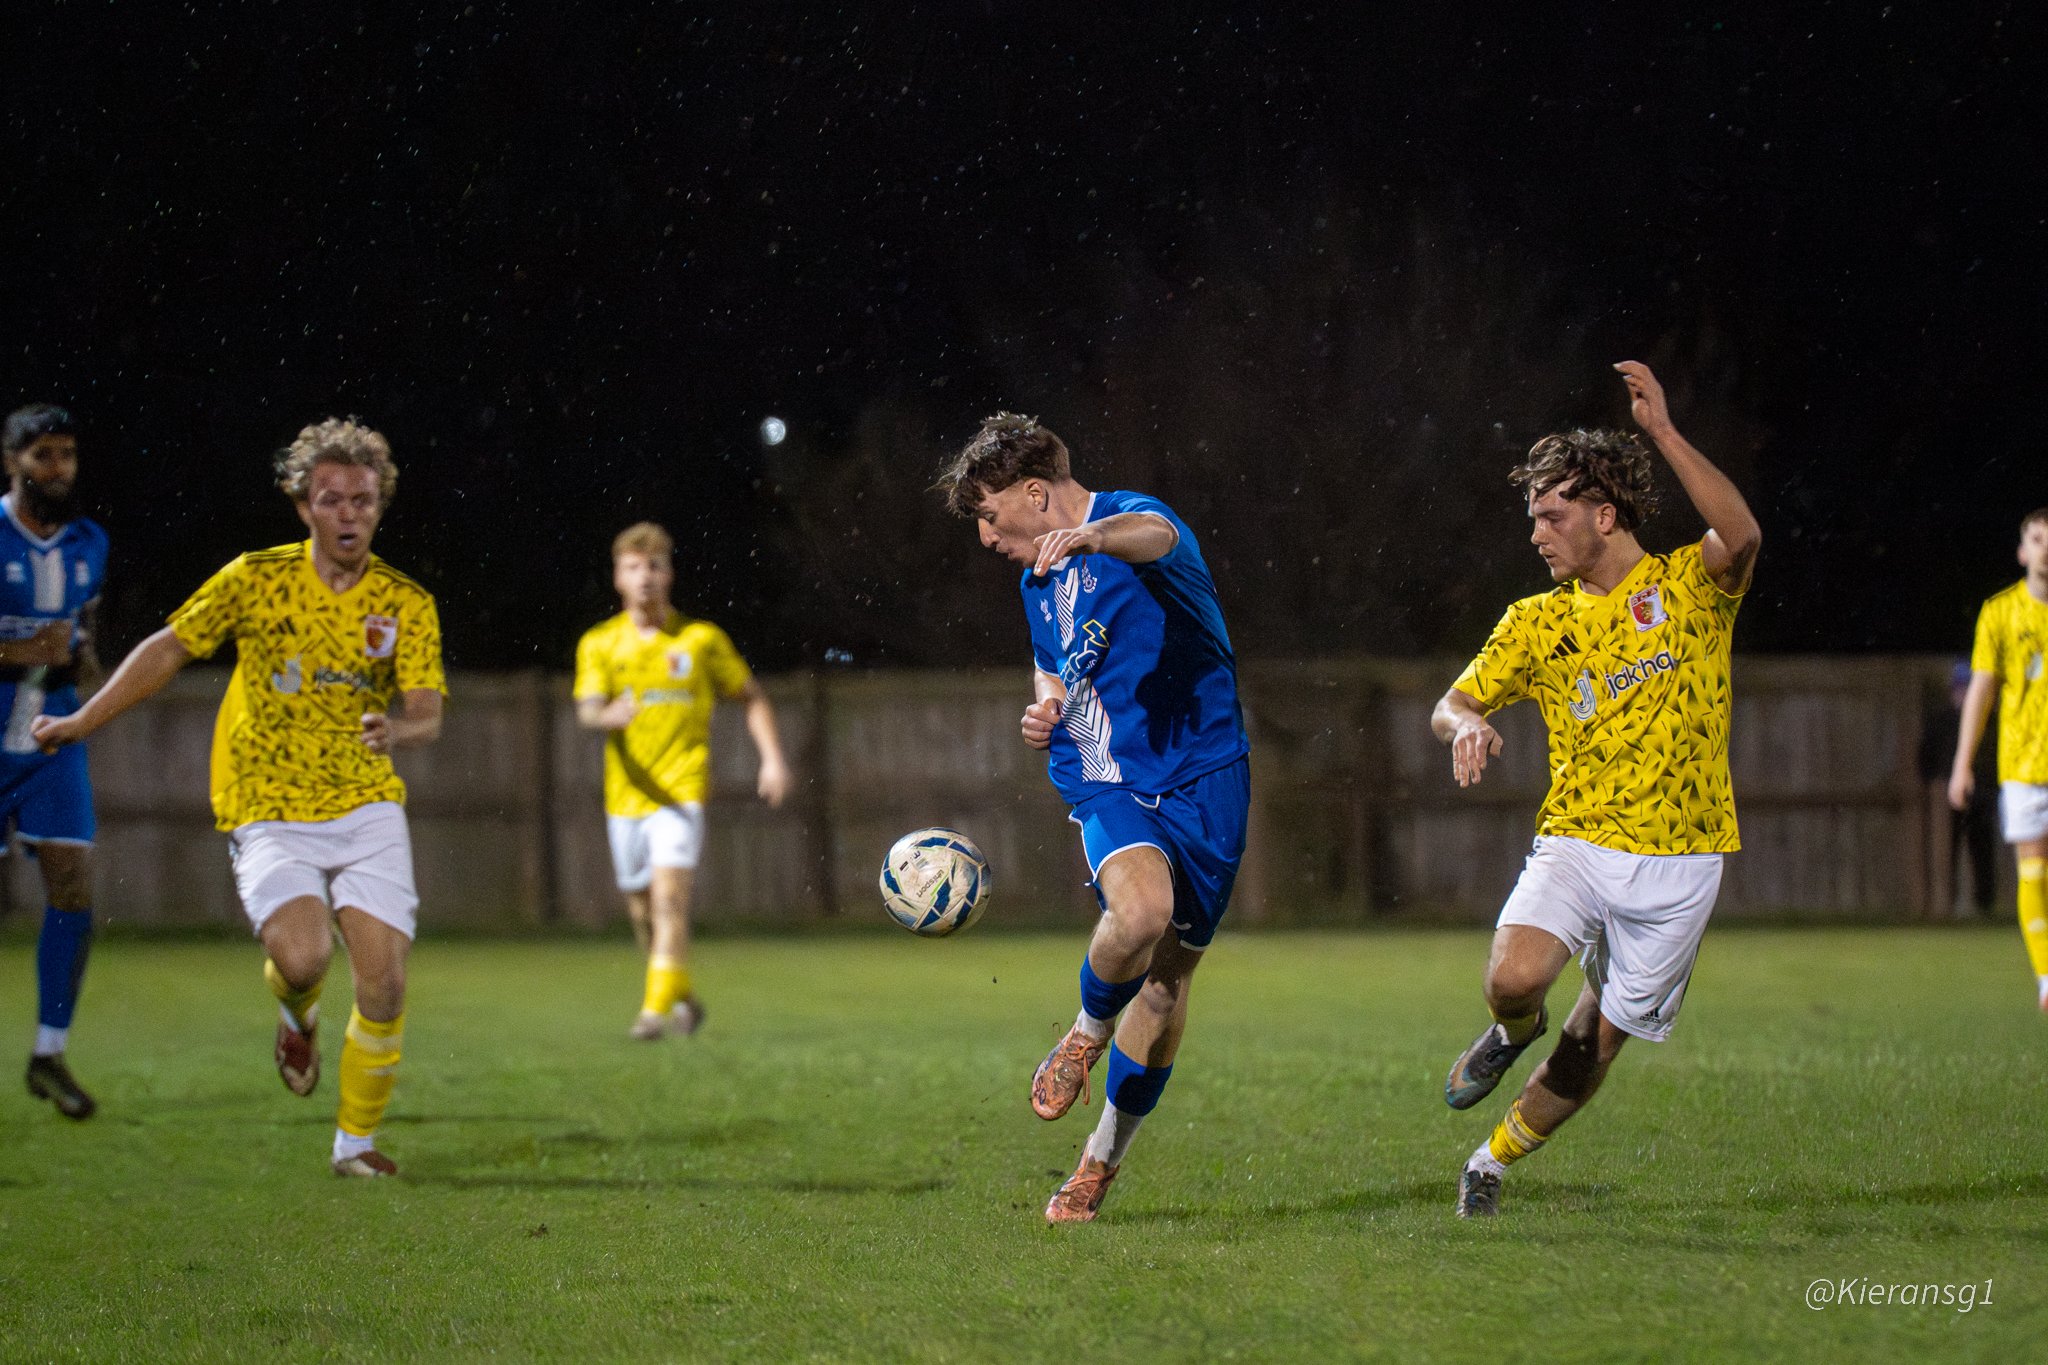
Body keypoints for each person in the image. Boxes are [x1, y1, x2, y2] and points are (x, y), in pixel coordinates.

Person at [32, 419, 444, 1176]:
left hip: (364, 802)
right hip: (267, 799)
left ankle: (354, 1145)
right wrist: (83, 719)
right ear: (303, 505)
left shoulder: (405, 602)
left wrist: (401, 728)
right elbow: (169, 648)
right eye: (331, 499)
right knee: (303, 956)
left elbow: (426, 710)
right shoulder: (256, 579)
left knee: (385, 979)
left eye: (362, 499)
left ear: (380, 506)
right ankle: (296, 1012)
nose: (348, 513)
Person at [1431, 362, 1761, 1219]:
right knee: (1512, 979)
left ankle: (1490, 1162)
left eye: (1551, 516)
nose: (1536, 535)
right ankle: (1512, 1030)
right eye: (1532, 517)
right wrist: (1464, 725)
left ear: (1604, 516)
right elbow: (1452, 702)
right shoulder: (1536, 621)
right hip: (1579, 837)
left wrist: (1664, 432)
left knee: (1597, 1040)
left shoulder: (1690, 587)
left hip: (1684, 857)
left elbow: (1742, 533)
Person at [936, 413, 1250, 1224]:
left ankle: (1099, 1160)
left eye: (990, 515)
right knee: (1140, 912)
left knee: (1168, 983)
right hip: (1107, 772)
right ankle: (1083, 1034)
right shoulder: (1036, 580)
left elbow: (1155, 536)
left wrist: (1094, 537)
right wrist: (1045, 707)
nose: (986, 536)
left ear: (1035, 493)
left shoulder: (1135, 520)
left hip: (1208, 776)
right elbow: (1052, 664)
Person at [573, 521, 790, 1040]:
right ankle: (682, 996)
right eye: (633, 567)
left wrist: (772, 759)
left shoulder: (701, 640)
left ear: (669, 574)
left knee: (670, 901)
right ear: (617, 577)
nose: (644, 576)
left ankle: (652, 1013)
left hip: (682, 791)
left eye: (654, 565)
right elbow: (586, 709)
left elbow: (752, 697)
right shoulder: (601, 643)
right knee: (643, 913)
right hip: (626, 796)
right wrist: (606, 715)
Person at [2, 405, 108, 1120]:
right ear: (12, 460)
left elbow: (82, 638)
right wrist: (17, 651)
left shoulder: (89, 542)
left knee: (72, 884)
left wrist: (87, 672)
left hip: (51, 740)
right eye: (43, 454)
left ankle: (49, 1052)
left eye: (67, 453)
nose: (58, 467)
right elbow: (33, 644)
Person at [1949, 508, 2048, 1005]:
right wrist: (1962, 764)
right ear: (2022, 552)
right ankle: (2047, 977)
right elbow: (1982, 692)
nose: (2047, 548)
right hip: (2025, 765)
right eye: (2038, 539)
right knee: (2033, 870)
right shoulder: (2001, 612)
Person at [1920, 662, 1997, 917]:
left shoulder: (1989, 721)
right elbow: (1926, 754)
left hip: (1982, 793)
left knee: (1982, 849)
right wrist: (1933, 781)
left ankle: (1985, 905)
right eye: (1959, 688)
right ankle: (1944, 904)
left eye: (1968, 687)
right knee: (1945, 850)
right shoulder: (1941, 721)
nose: (1963, 693)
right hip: (1945, 794)